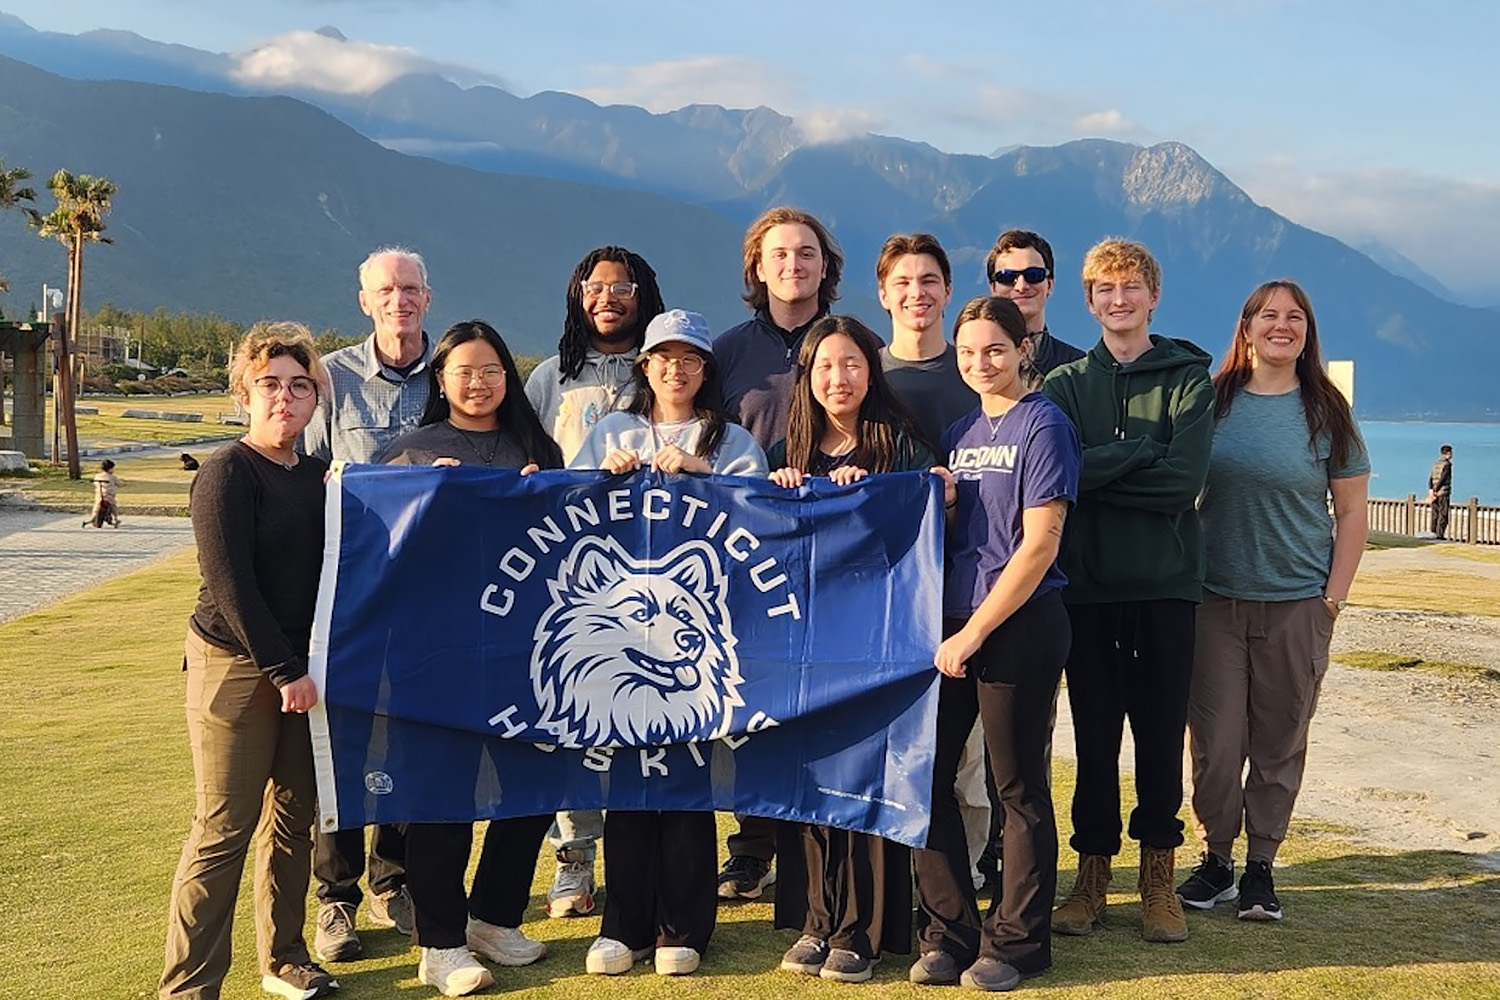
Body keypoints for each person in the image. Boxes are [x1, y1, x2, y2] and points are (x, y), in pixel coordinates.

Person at [572, 308, 767, 977]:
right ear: (645, 367)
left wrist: (705, 472)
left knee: (685, 784)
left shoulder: (732, 438)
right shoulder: (611, 431)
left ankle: (683, 925)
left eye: (689, 360)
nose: (675, 370)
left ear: (704, 370)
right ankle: (621, 926)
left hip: (698, 635)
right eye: (663, 358)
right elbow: (565, 511)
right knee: (628, 787)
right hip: (622, 635)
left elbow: (765, 516)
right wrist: (604, 475)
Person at [378, 319, 562, 996]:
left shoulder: (535, 447)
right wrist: (425, 501)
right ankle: (441, 942)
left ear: (508, 378)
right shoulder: (411, 453)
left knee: (529, 789)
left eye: (491, 370)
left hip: (523, 647)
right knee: (444, 796)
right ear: (441, 379)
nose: (479, 383)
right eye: (465, 371)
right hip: (439, 651)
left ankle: (493, 917)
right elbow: (382, 547)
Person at [1177, 280, 1369, 922]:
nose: (1281, 326)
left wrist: (1331, 603)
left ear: (1307, 333)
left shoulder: (1328, 413)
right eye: (1269, 315)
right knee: (1215, 741)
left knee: (1281, 739)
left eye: (1295, 317)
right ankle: (1216, 861)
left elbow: (1351, 515)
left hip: (1297, 604)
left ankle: (1261, 866)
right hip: (1215, 601)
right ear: (1247, 327)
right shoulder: (1213, 402)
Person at [1042, 238, 1214, 944]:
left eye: (1130, 288)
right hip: (1087, 591)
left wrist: (1104, 466)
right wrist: (1143, 449)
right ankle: (1090, 878)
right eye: (1105, 290)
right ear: (1089, 300)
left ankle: (1158, 879)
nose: (1119, 300)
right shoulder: (1063, 386)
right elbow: (1061, 476)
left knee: (1157, 737)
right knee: (1094, 739)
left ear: (1152, 296)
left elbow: (1184, 482)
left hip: (1167, 589)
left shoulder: (1189, 380)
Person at [159, 322, 338, 1000]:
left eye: (299, 386)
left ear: (315, 400)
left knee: (296, 817)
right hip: (236, 665)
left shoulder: (321, 478)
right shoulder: (226, 473)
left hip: (303, 666)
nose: (284, 399)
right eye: (270, 385)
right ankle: (189, 985)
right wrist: (284, 671)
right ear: (245, 394)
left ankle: (285, 959)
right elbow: (231, 585)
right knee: (223, 827)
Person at [910, 297, 1080, 991]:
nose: (981, 362)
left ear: (1022, 350)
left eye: (995, 350)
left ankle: (1017, 942)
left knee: (1017, 789)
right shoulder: (959, 431)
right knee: (927, 779)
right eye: (968, 351)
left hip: (1019, 624)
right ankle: (951, 932)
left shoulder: (1047, 424)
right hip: (952, 625)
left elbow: (1038, 544)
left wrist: (977, 631)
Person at [766, 315, 930, 984]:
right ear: (807, 377)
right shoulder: (785, 450)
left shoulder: (902, 448)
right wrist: (774, 495)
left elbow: (926, 531)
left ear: (872, 370)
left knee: (865, 785)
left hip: (878, 645)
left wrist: (879, 499)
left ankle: (859, 931)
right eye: (826, 366)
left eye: (853, 364)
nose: (840, 378)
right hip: (804, 643)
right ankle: (815, 919)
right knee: (808, 785)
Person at [523, 245, 665, 919]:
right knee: (578, 723)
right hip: (577, 573)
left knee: (651, 714)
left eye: (621, 286)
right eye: (595, 287)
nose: (608, 297)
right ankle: (575, 860)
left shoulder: (667, 372)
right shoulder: (552, 378)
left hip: (660, 571)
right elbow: (527, 462)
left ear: (642, 294)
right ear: (579, 296)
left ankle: (650, 858)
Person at [302, 246, 435, 961]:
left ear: (427, 295)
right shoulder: (332, 379)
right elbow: (308, 478)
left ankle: (396, 881)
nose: (398, 300)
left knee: (411, 742)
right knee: (344, 747)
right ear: (364, 300)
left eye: (409, 288)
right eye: (386, 290)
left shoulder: (452, 373)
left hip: (427, 604)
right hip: (348, 599)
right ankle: (336, 899)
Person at [712, 205, 843, 899]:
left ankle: (818, 846)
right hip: (749, 554)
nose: (793, 265)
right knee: (753, 702)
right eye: (779, 254)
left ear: (827, 265)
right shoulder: (729, 351)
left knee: (823, 701)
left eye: (806, 253)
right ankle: (753, 846)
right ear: (757, 269)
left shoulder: (855, 342)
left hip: (832, 555)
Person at [872, 233, 990, 893]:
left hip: (966, 588)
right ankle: (891, 884)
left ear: (947, 291)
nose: (916, 294)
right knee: (893, 751)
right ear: (884, 294)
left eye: (928, 281)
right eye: (903, 282)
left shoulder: (973, 370)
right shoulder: (866, 375)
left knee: (967, 761)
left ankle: (966, 879)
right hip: (887, 597)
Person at [985, 230, 1085, 376]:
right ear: (993, 288)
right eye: (1006, 277)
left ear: (1049, 285)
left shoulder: (1079, 371)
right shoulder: (971, 370)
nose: (1021, 286)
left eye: (1033, 275)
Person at [85, 458, 122, 528]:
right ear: (110, 469)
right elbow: (119, 484)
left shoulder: (98, 476)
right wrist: (123, 484)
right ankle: (115, 518)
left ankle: (93, 518)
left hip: (99, 495)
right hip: (109, 496)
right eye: (112, 468)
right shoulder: (112, 477)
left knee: (96, 507)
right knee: (113, 506)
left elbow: (95, 483)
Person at [1427, 444, 1453, 540]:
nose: (1451, 455)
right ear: (1447, 453)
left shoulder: (1436, 464)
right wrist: (1436, 490)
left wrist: (1431, 490)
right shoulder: (1447, 464)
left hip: (1433, 492)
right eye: (1450, 453)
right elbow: (1443, 477)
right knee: (1443, 514)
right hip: (1443, 492)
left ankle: (1433, 533)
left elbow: (1431, 478)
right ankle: (1439, 535)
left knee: (1435, 514)